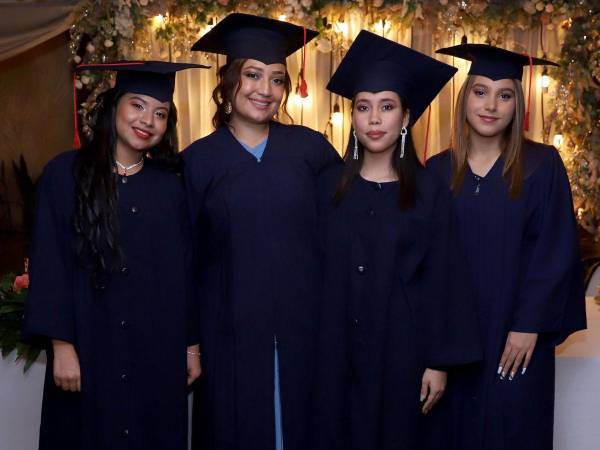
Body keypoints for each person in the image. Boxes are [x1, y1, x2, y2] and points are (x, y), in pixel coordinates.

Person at [23, 60, 208, 450]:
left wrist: (191, 347)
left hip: (155, 349)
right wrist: (62, 345)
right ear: (114, 106)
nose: (148, 120)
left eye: (160, 113)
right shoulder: (65, 175)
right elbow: (50, 262)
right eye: (137, 105)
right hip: (90, 345)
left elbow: (185, 273)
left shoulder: (171, 187)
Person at [313, 30, 481, 450]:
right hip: (335, 353)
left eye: (386, 107)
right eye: (364, 108)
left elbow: (445, 277)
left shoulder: (428, 192)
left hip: (402, 355)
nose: (373, 119)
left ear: (405, 118)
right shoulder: (326, 187)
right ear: (352, 116)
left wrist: (438, 362)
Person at [184, 13, 341, 450]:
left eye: (276, 79)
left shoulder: (312, 151)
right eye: (253, 75)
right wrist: (191, 342)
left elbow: (346, 236)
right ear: (230, 80)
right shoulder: (197, 162)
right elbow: (184, 260)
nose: (265, 90)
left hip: (305, 329)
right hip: (228, 334)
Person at [427, 43, 587, 450]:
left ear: (518, 104)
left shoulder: (542, 165)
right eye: (480, 92)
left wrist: (529, 324)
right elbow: (428, 263)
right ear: (465, 99)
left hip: (517, 340)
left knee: (514, 430)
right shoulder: (437, 171)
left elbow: (555, 252)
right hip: (455, 341)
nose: (491, 105)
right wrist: (435, 350)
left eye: (504, 95)